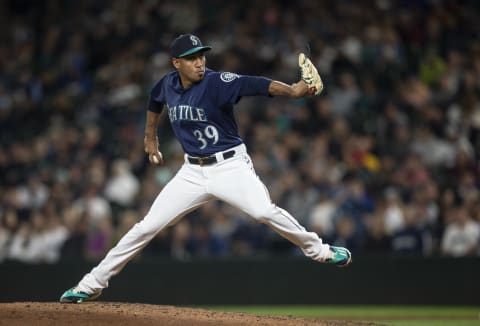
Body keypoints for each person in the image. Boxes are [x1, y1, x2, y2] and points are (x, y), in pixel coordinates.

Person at [60, 34, 352, 303]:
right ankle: (90, 284)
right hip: (192, 172)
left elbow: (256, 84)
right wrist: (150, 137)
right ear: (177, 63)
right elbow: (154, 101)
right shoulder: (167, 84)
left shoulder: (217, 82)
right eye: (191, 58)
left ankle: (321, 251)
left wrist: (293, 90)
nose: (199, 62)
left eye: (201, 56)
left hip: (230, 167)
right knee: (146, 226)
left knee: (263, 211)